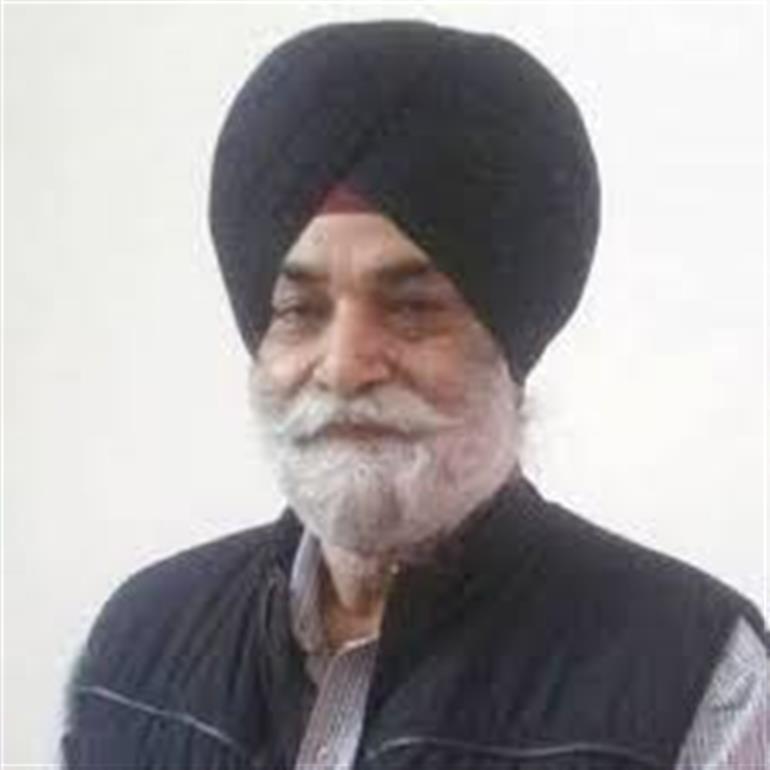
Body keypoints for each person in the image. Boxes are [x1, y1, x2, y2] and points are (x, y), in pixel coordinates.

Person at [62, 20, 768, 770]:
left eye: (411, 309)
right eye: (300, 310)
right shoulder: (133, 654)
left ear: (510, 346)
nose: (344, 366)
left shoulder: (696, 681)